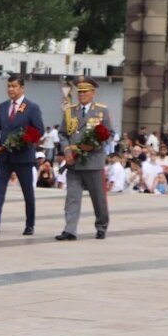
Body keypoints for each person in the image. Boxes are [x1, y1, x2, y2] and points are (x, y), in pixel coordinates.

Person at [0, 74, 44, 236]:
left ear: (22, 88)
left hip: (23, 157)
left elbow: (39, 130)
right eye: (9, 86)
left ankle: (30, 224)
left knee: (27, 192)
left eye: (14, 86)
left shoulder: (31, 107)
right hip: (4, 156)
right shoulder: (3, 107)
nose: (11, 89)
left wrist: (23, 141)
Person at [55, 77, 114, 241]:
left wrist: (96, 146)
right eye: (79, 92)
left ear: (92, 93)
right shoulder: (70, 111)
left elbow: (110, 134)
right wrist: (67, 150)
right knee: (72, 198)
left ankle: (101, 226)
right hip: (74, 162)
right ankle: (70, 230)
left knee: (98, 198)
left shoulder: (102, 111)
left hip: (93, 162)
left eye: (85, 91)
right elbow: (62, 133)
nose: (82, 95)